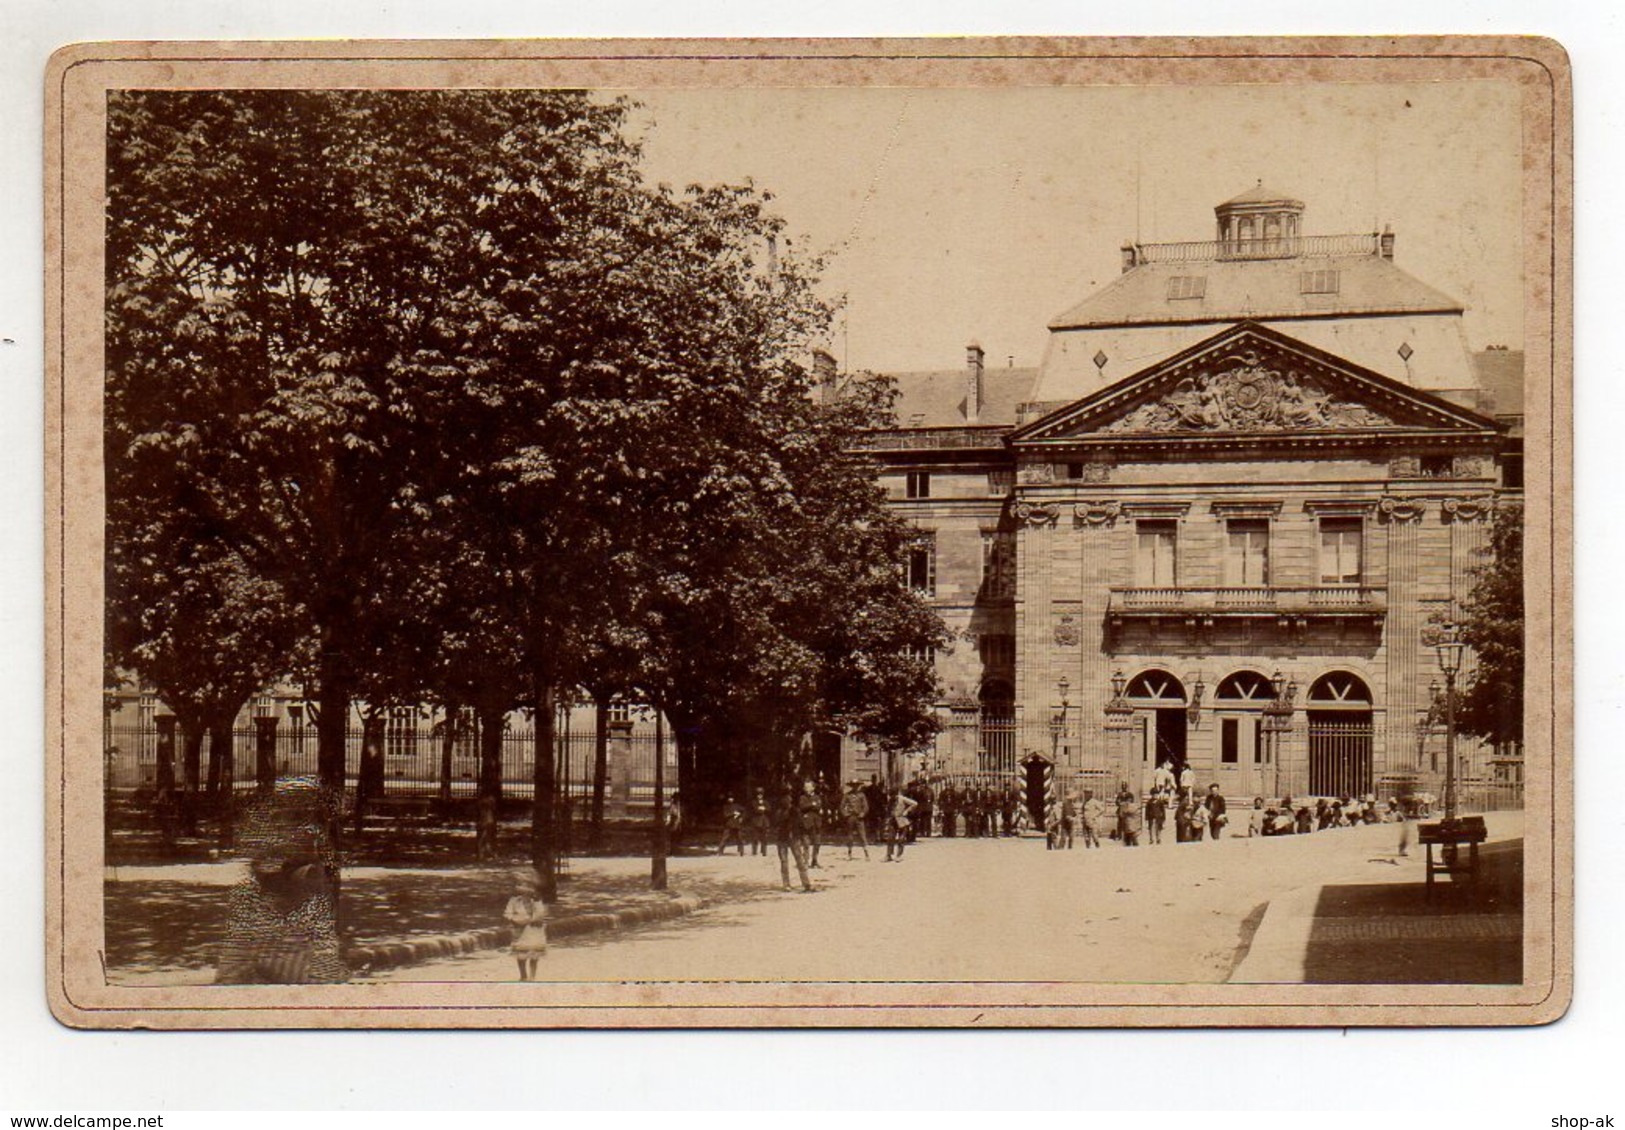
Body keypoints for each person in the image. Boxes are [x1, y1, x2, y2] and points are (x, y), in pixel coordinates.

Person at [504, 869, 548, 981]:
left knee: (534, 955)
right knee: (521, 955)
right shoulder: (514, 901)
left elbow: (540, 914)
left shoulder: (536, 901)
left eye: (526, 886)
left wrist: (529, 920)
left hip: (533, 930)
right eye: (518, 885)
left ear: (533, 887)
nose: (522, 888)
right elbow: (507, 913)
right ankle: (523, 975)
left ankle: (532, 975)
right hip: (520, 931)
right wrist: (513, 919)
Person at [772, 786, 814, 892]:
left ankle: (806, 884)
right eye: (785, 799)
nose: (787, 800)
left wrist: (802, 836)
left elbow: (801, 824)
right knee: (784, 861)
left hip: (794, 838)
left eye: (789, 798)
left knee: (799, 860)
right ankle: (786, 884)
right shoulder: (779, 812)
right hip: (782, 838)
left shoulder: (795, 811)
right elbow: (776, 824)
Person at [839, 779, 871, 861]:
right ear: (851, 786)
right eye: (853, 785)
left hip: (859, 817)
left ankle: (866, 854)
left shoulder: (862, 795)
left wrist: (863, 813)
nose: (855, 787)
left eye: (856, 785)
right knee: (850, 836)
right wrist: (846, 814)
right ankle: (849, 853)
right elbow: (842, 807)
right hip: (850, 817)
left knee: (862, 835)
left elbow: (866, 806)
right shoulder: (847, 795)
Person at [886, 788, 918, 861]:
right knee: (890, 838)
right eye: (890, 795)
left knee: (901, 839)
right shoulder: (890, 800)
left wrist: (906, 811)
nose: (892, 797)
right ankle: (888, 855)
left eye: (893, 795)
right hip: (893, 820)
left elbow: (915, 803)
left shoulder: (902, 799)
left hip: (902, 820)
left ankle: (899, 856)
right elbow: (889, 809)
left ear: (896, 794)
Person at [799, 779, 825, 868]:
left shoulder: (817, 797)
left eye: (808, 787)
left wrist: (811, 805)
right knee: (806, 843)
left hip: (816, 823)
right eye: (805, 787)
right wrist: (812, 804)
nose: (806, 789)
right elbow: (802, 807)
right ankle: (805, 861)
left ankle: (815, 860)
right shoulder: (802, 797)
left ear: (813, 788)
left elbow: (819, 806)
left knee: (817, 843)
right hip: (806, 823)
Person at [747, 788, 770, 856]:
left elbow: (769, 809)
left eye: (761, 794)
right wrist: (762, 808)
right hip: (756, 821)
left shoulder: (765, 802)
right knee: (755, 837)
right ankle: (754, 851)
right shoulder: (753, 802)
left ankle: (764, 851)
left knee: (764, 837)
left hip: (764, 822)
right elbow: (755, 810)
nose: (759, 796)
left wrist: (762, 808)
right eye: (758, 795)